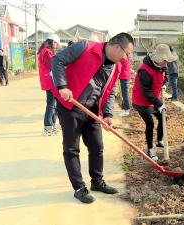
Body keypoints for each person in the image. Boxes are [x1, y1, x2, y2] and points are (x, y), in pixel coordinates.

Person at [51, 32, 134, 204]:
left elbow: (110, 92)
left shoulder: (116, 66)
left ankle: (97, 181)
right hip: (71, 106)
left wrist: (109, 114)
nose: (126, 58)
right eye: (126, 53)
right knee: (72, 149)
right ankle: (79, 188)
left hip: (92, 110)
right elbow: (57, 60)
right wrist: (62, 86)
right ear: (117, 47)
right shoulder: (85, 47)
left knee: (97, 146)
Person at [131, 44, 177, 161]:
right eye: (165, 61)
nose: (167, 63)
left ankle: (159, 140)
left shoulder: (162, 66)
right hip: (141, 101)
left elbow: (165, 75)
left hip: (154, 99)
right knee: (150, 124)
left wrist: (164, 84)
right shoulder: (144, 70)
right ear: (158, 59)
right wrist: (160, 104)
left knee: (163, 118)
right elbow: (146, 91)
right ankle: (150, 149)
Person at [37, 34, 61, 136]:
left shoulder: (46, 51)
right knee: (51, 104)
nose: (56, 47)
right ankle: (48, 127)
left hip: (51, 81)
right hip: (50, 81)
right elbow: (53, 65)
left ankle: (53, 125)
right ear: (53, 42)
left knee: (54, 104)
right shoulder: (46, 52)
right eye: (56, 44)